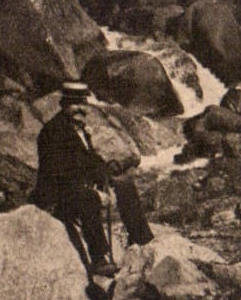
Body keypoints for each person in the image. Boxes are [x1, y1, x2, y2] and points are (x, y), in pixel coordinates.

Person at [33, 81, 153, 278]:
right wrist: (96, 192)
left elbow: (88, 161)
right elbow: (58, 173)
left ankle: (141, 238)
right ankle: (99, 258)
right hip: (56, 193)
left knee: (124, 184)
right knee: (88, 199)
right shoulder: (52, 132)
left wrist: (106, 171)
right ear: (64, 105)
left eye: (83, 102)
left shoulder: (78, 128)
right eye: (74, 103)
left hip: (75, 184)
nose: (81, 108)